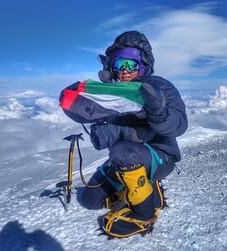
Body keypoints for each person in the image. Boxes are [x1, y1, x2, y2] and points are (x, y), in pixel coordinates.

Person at [79, 30, 188, 238]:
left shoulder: (160, 86)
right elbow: (106, 135)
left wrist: (157, 112)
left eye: (132, 64)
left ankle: (144, 215)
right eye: (120, 64)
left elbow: (179, 126)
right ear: (111, 66)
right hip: (123, 159)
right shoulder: (111, 93)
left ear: (143, 65)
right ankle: (132, 187)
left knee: (122, 152)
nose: (125, 71)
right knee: (89, 200)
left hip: (159, 156)